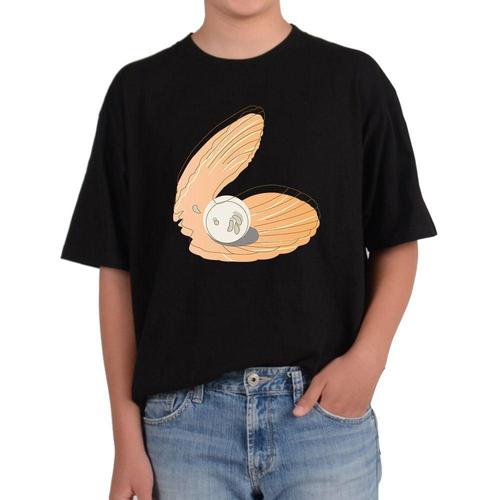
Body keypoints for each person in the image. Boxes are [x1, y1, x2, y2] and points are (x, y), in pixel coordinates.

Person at [61, 0, 437, 498]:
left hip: (322, 418)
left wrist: (368, 361)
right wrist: (125, 437)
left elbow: (397, 240)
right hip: (183, 429)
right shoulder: (138, 93)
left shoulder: (354, 82)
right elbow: (117, 273)